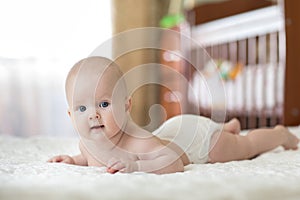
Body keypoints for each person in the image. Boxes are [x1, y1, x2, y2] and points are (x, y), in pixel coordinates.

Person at [48, 56, 299, 174]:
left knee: (245, 146)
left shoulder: (138, 142)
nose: (93, 115)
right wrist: (73, 160)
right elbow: (91, 157)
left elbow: (174, 162)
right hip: (174, 129)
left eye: (104, 104)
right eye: (82, 109)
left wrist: (137, 165)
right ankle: (227, 126)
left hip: (198, 143)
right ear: (70, 115)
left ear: (127, 105)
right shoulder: (89, 143)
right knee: (230, 135)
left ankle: (278, 135)